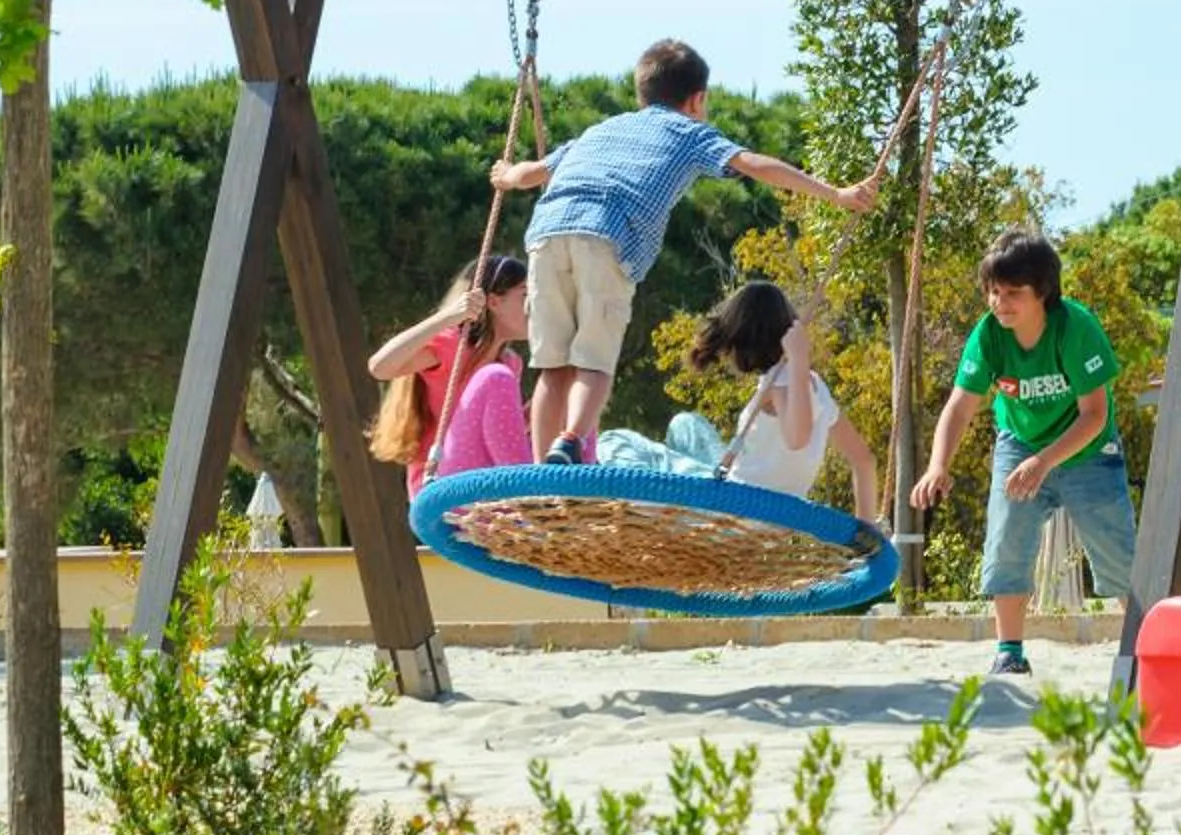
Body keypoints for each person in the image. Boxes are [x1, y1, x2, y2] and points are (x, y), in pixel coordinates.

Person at [490, 38, 879, 465]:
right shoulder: (690, 133)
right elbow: (755, 164)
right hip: (605, 235)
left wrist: (507, 175)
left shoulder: (602, 129)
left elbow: (535, 173)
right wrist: (834, 194)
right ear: (697, 100)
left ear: (642, 93)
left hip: (546, 232)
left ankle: (543, 468)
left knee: (552, 366)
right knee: (593, 361)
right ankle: (567, 441)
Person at [910, 229, 1138, 678]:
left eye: (1013, 293)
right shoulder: (989, 335)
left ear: (1043, 292)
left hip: (1086, 448)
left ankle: (1144, 649)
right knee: (1007, 540)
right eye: (994, 292)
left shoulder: (1076, 328)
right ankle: (1009, 652)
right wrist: (938, 465)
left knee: (1119, 557)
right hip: (1020, 442)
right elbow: (960, 406)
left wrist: (1045, 461)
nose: (1000, 303)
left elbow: (1094, 414)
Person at [600, 280, 882, 521]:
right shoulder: (813, 385)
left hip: (734, 511)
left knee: (613, 440)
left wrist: (799, 359)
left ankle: (646, 505)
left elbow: (798, 438)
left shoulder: (784, 379)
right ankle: (662, 503)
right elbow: (864, 460)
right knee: (685, 424)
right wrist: (866, 531)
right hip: (759, 508)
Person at [366, 253, 530, 491]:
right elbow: (379, 366)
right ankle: (527, 492)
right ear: (494, 302)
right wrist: (448, 317)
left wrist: (531, 416)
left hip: (481, 476)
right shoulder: (453, 346)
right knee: (496, 377)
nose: (534, 305)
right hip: (440, 484)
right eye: (525, 295)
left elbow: (495, 435)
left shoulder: (510, 363)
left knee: (567, 399)